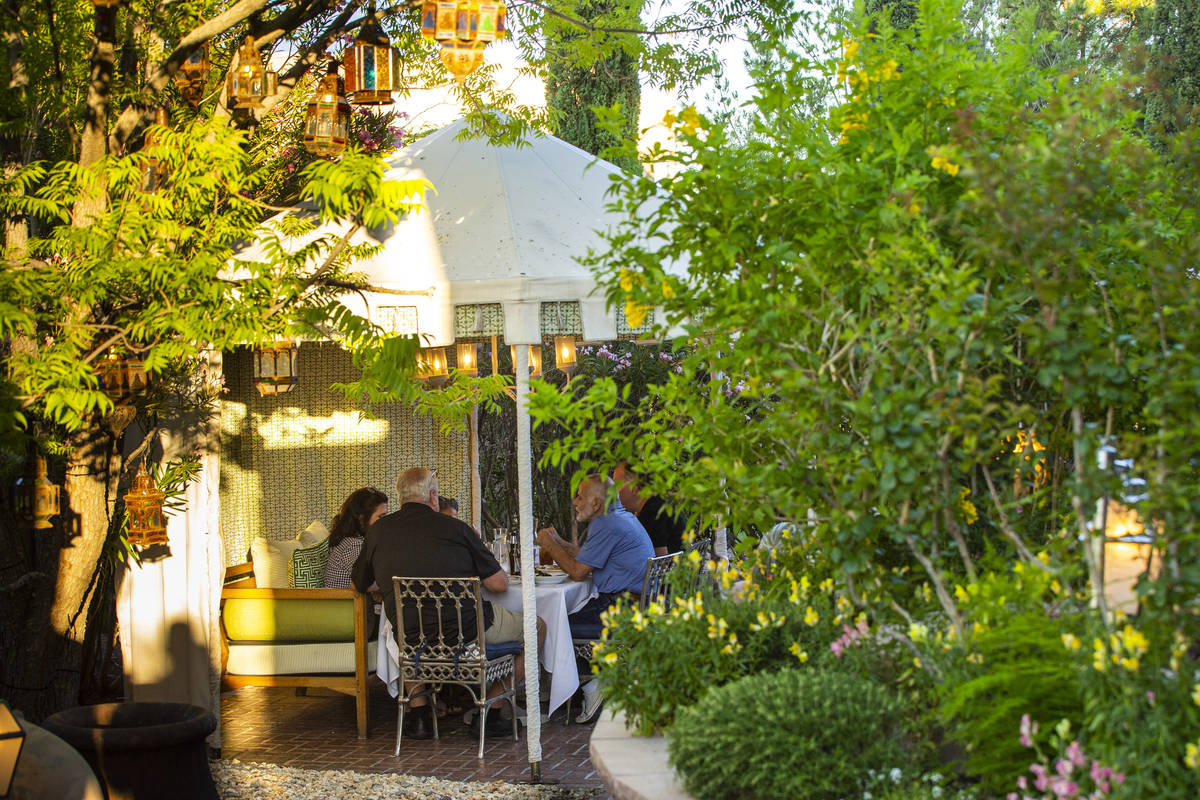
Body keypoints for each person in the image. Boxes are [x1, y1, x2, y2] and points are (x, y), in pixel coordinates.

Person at [352, 467, 544, 739]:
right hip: (466, 633)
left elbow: (358, 584)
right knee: (537, 628)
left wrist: (387, 584)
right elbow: (498, 585)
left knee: (405, 630)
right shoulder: (457, 529)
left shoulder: (378, 532)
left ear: (400, 499)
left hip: (411, 637)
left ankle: (419, 716)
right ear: (432, 497)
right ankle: (489, 710)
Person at [536, 474, 654, 723]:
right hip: (636, 606)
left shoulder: (607, 524)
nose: (575, 502)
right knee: (564, 616)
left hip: (621, 611)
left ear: (597, 503)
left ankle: (588, 686)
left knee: (553, 625)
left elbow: (578, 572)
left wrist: (548, 543)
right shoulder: (620, 518)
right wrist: (557, 541)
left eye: (580, 496)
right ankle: (571, 686)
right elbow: (586, 557)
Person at [612, 463, 687, 556]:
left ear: (634, 488)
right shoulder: (653, 504)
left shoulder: (653, 513)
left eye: (617, 484)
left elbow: (660, 563)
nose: (613, 490)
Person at [323, 487, 388, 589]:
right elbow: (370, 582)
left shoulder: (359, 541)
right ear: (362, 519)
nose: (385, 523)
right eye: (381, 517)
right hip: (347, 604)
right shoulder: (353, 545)